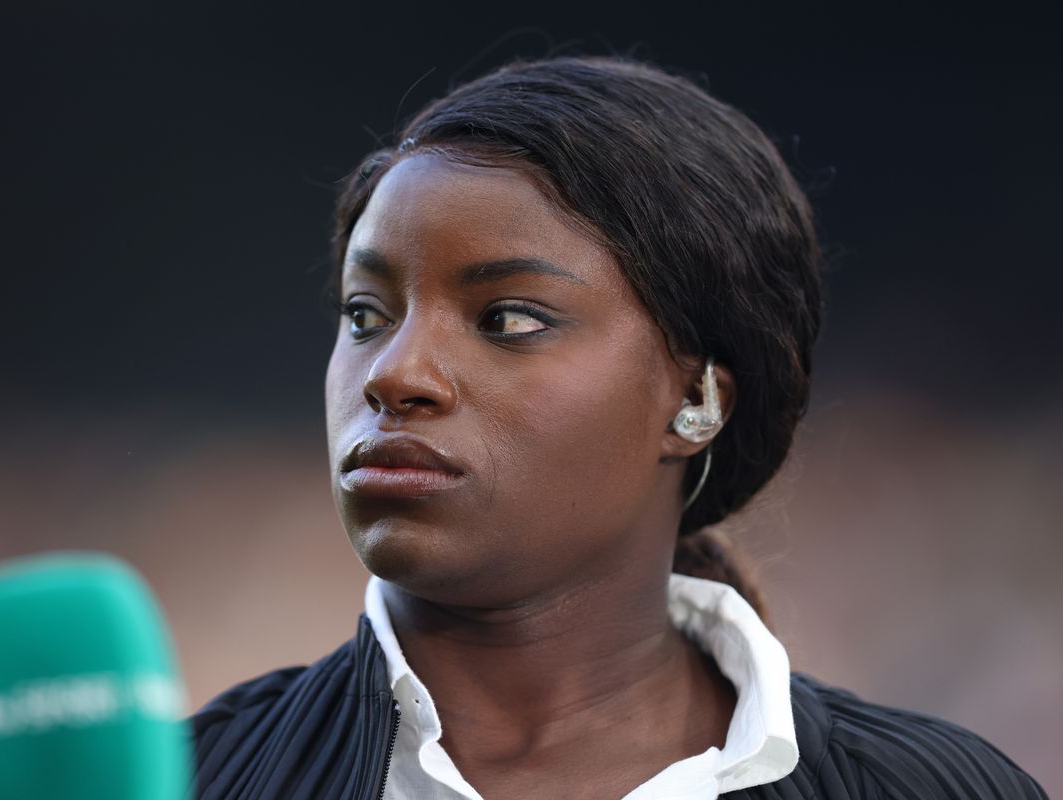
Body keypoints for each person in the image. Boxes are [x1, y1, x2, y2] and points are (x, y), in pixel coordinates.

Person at [188, 55, 1047, 799]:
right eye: (367, 314)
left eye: (509, 319)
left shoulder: (929, 790)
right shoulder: (176, 779)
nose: (393, 374)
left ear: (698, 398)